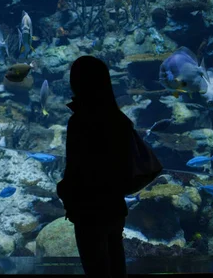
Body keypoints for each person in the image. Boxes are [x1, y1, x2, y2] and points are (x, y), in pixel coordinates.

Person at [57, 55, 135, 278]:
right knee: (116, 266)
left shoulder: (80, 121)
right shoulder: (119, 120)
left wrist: (65, 192)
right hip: (114, 207)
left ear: (77, 84)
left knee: (96, 270)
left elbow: (76, 168)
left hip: (89, 211)